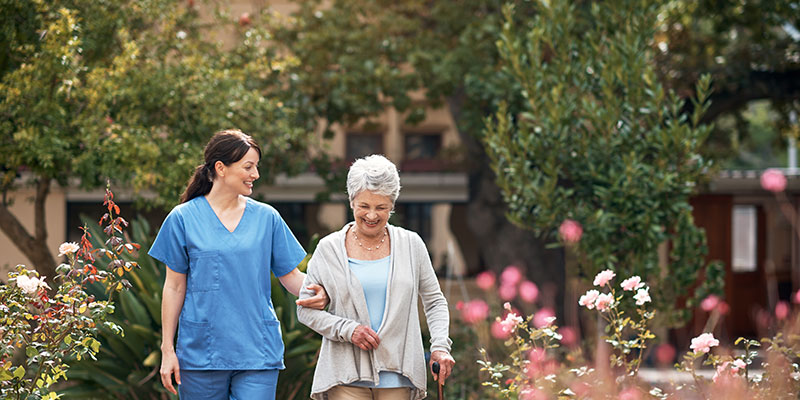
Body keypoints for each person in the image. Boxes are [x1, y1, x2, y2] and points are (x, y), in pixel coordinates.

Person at [149, 129, 329, 399]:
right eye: (248, 167)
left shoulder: (267, 218)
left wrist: (323, 291)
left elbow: (291, 276)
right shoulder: (182, 218)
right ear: (221, 168)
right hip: (202, 353)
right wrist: (167, 349)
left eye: (256, 166)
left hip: (257, 350)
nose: (255, 174)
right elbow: (174, 287)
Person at [297, 154, 455, 400]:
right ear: (351, 202)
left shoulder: (411, 245)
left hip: (398, 375)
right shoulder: (329, 249)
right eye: (364, 206)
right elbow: (306, 311)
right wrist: (348, 330)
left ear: (392, 205)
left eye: (381, 207)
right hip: (345, 375)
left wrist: (440, 347)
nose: (372, 215)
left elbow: (434, 301)